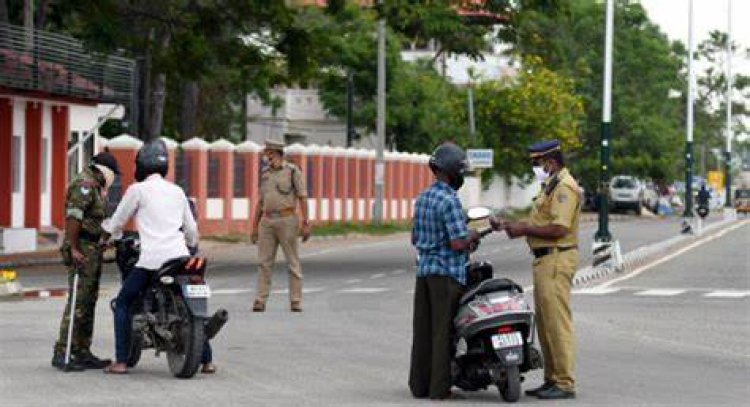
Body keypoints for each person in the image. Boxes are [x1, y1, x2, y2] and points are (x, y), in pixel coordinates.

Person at [100, 139, 204, 374]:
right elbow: (191, 230)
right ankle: (207, 360)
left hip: (152, 260)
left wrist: (107, 236)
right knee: (192, 303)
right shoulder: (177, 191)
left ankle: (121, 361)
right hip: (180, 258)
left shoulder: (137, 190)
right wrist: (191, 246)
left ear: (141, 166)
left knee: (123, 303)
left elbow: (117, 221)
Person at [492, 140, 580, 400]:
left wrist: (524, 229)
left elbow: (559, 229)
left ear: (551, 162)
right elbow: (539, 221)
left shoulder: (564, 187)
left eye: (537, 163)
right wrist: (511, 225)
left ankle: (564, 382)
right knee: (545, 323)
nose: (536, 168)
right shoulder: (551, 185)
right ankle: (552, 379)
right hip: (545, 260)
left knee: (557, 323)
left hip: (556, 259)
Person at [408, 142, 481, 400]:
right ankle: (439, 389)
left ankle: (419, 385)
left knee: (423, 330)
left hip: (424, 273)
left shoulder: (423, 197)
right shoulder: (450, 200)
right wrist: (471, 235)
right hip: (447, 275)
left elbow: (415, 238)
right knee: (442, 332)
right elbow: (457, 243)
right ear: (453, 172)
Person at [52, 152, 120, 371]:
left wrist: (102, 241)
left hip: (91, 248)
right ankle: (63, 352)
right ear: (104, 170)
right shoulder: (84, 185)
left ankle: (82, 350)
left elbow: (93, 219)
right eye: (114, 174)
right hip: (80, 247)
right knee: (78, 301)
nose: (114, 178)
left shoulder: (96, 187)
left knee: (88, 301)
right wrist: (73, 248)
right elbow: (74, 217)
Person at [251, 139, 311, 312]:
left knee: (292, 262)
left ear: (275, 153)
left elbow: (303, 197)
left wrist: (306, 222)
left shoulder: (292, 172)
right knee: (264, 262)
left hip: (287, 220)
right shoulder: (265, 174)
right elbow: (260, 202)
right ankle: (260, 300)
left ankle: (295, 300)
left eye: (267, 153)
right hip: (267, 222)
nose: (265, 156)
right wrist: (254, 227)